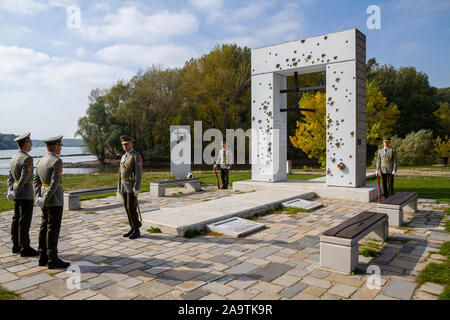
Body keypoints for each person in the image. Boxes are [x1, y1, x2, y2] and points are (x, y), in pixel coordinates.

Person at [34, 136, 70, 269]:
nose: (60, 148)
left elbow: (36, 181)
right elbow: (54, 184)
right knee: (52, 229)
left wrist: (38, 196)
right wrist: (46, 197)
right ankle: (53, 258)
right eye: (60, 145)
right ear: (55, 146)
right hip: (54, 200)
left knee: (44, 227)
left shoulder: (40, 161)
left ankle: (43, 256)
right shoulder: (57, 161)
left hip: (44, 198)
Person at [6, 132, 39, 257]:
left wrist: (11, 190)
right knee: (24, 221)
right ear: (25, 143)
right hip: (25, 194)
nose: (31, 144)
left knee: (16, 219)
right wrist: (15, 191)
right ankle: (25, 247)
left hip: (16, 192)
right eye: (30, 142)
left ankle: (16, 245)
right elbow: (24, 179)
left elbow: (10, 176)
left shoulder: (14, 157)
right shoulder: (27, 158)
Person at [117, 135, 143, 239]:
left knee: (131, 208)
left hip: (131, 186)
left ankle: (137, 229)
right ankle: (132, 227)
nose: (125, 146)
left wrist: (137, 188)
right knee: (127, 208)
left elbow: (138, 174)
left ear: (131, 144)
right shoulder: (124, 156)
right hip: (124, 186)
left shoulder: (136, 156)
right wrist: (119, 186)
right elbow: (120, 173)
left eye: (126, 144)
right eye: (123, 144)